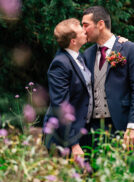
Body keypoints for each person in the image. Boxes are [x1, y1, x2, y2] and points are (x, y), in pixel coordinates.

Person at [82, 6, 134, 151]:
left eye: (86, 25)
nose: (83, 30)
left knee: (123, 172)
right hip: (93, 130)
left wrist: (133, 125)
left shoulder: (129, 49)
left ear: (101, 24)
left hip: (122, 127)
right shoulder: (87, 54)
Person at [43, 18, 92, 159]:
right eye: (80, 31)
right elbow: (60, 106)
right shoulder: (60, 64)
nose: (85, 31)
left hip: (79, 132)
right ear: (73, 41)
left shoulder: (78, 57)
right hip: (63, 139)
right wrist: (74, 144)